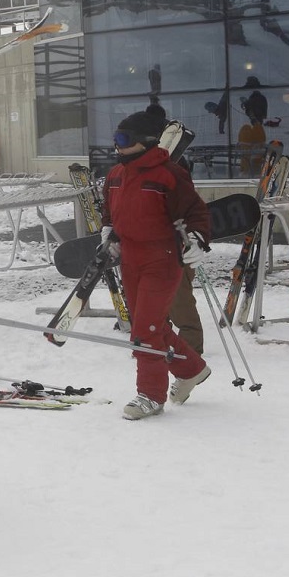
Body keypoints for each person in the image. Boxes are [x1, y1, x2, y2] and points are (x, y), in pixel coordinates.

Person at [100, 112, 212, 420]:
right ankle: (191, 369)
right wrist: (109, 231)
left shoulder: (169, 175)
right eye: (115, 139)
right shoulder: (115, 176)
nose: (117, 146)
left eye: (123, 139)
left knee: (146, 329)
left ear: (146, 142)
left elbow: (196, 213)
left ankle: (150, 395)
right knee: (150, 326)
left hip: (161, 259)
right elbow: (109, 211)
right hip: (130, 259)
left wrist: (197, 240)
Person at [142, 106, 205, 356]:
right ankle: (162, 344)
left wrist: (195, 238)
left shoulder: (174, 168)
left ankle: (189, 354)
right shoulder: (138, 166)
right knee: (158, 303)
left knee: (179, 300)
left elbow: (190, 206)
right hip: (150, 245)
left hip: (173, 241)